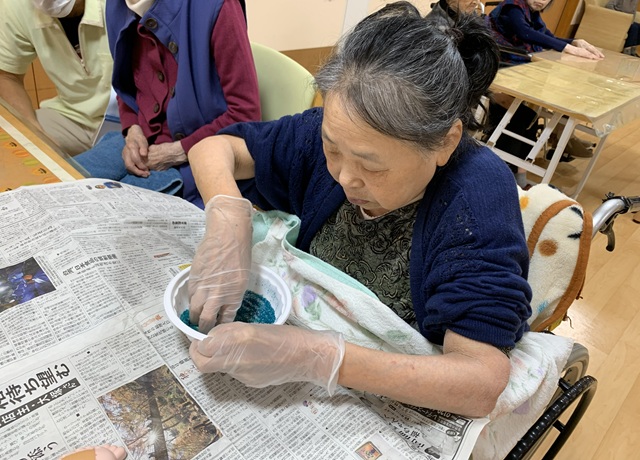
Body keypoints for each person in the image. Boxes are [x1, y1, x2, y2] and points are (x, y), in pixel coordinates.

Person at [186, 3, 532, 418]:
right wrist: (228, 218)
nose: (344, 178)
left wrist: (319, 358)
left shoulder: (476, 197)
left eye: (372, 166)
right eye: (332, 149)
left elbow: (480, 382)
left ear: (445, 142)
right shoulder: (334, 129)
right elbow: (215, 149)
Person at [73, 0, 261, 208]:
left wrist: (176, 151)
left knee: (105, 210)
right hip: (143, 144)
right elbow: (125, 86)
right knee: (63, 182)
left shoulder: (216, 6)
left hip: (201, 154)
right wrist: (132, 129)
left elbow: (245, 114)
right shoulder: (116, 6)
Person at [0, 0, 112, 155]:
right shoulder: (15, 5)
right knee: (11, 144)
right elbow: (7, 75)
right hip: (72, 116)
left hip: (131, 117)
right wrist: (34, 130)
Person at [487, 0, 604, 64]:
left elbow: (549, 38)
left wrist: (575, 42)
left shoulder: (532, 13)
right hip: (500, 58)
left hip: (518, 58)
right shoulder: (513, 7)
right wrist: (569, 48)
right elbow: (525, 32)